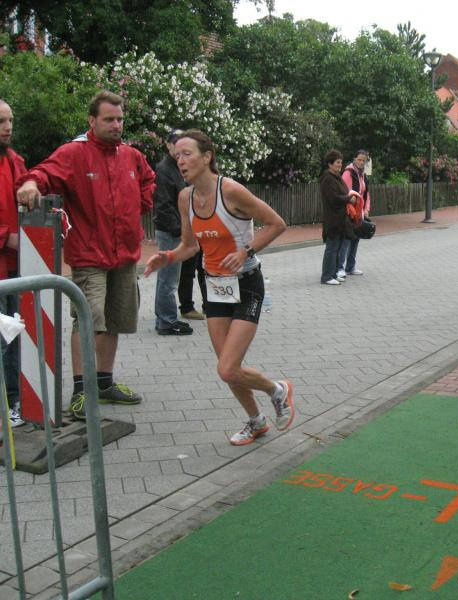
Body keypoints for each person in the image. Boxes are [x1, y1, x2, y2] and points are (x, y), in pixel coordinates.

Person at [144, 129, 294, 445]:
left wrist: (245, 252)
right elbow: (189, 246)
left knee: (227, 368)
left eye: (187, 154)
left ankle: (277, 390)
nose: (180, 160)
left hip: (247, 283)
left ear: (207, 156)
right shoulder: (185, 198)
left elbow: (277, 224)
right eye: (177, 155)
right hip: (214, 286)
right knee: (228, 366)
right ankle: (257, 421)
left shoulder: (231, 191)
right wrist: (167, 257)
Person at [16, 91, 155, 420]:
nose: (116, 125)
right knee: (89, 319)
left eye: (120, 119)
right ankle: (81, 391)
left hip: (125, 255)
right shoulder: (74, 154)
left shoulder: (131, 156)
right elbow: (44, 172)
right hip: (90, 256)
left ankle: (104, 383)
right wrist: (31, 184)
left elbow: (149, 180)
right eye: (109, 119)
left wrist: (141, 203)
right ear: (92, 120)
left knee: (115, 319)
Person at [0, 99, 26, 427]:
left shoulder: (15, 160)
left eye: (10, 120)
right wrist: (5, 237)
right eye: (1, 121)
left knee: (14, 333)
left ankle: (15, 398)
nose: (7, 127)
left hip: (17, 266)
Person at [153, 129, 193, 335]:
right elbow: (163, 205)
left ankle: (165, 317)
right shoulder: (164, 169)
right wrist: (180, 230)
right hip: (171, 231)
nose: (179, 148)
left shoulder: (177, 167)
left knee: (168, 278)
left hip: (175, 229)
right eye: (175, 143)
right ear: (168, 145)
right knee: (168, 279)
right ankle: (166, 322)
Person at [319, 149, 359, 285]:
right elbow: (334, 198)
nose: (339, 165)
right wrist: (349, 198)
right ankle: (326, 276)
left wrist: (350, 196)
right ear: (330, 164)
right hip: (332, 218)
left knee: (338, 247)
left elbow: (344, 192)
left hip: (341, 218)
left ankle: (334, 273)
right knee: (331, 247)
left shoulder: (337, 177)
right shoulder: (327, 178)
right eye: (337, 162)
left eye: (341, 162)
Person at [337, 150, 370, 278]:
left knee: (356, 238)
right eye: (359, 159)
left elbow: (366, 193)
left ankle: (350, 267)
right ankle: (340, 268)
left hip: (359, 212)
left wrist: (366, 209)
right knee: (346, 239)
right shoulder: (348, 173)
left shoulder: (362, 175)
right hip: (349, 211)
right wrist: (351, 209)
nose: (361, 162)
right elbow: (345, 192)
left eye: (363, 160)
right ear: (354, 159)